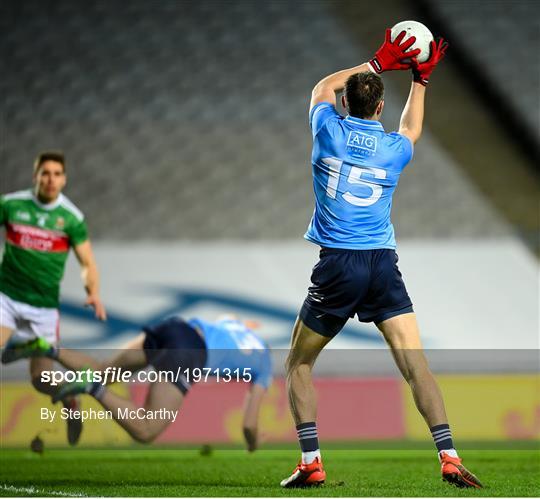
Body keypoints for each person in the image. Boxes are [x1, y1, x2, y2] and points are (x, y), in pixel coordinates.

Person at [280, 30, 482, 489]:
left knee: (298, 365)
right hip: (382, 266)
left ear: (346, 104)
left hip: (337, 267)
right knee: (416, 367)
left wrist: (376, 63)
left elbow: (321, 89)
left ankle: (311, 462)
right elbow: (412, 129)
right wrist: (421, 79)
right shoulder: (393, 149)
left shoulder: (327, 130)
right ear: (379, 109)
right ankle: (449, 456)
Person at [7, 315, 272, 450]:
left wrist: (244, 323)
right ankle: (91, 387)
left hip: (175, 327)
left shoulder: (235, 326)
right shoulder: (265, 363)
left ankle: (48, 348)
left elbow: (231, 318)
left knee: (102, 370)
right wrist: (252, 444)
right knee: (146, 429)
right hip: (190, 349)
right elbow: (249, 423)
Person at [0, 150, 107, 445]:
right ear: (35, 176)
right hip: (6, 296)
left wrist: (93, 293)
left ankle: (71, 400)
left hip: (43, 308)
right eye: (45, 173)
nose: (51, 179)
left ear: (64, 179)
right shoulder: (11, 205)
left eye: (57, 174)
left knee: (41, 380)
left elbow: (87, 263)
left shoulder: (71, 218)